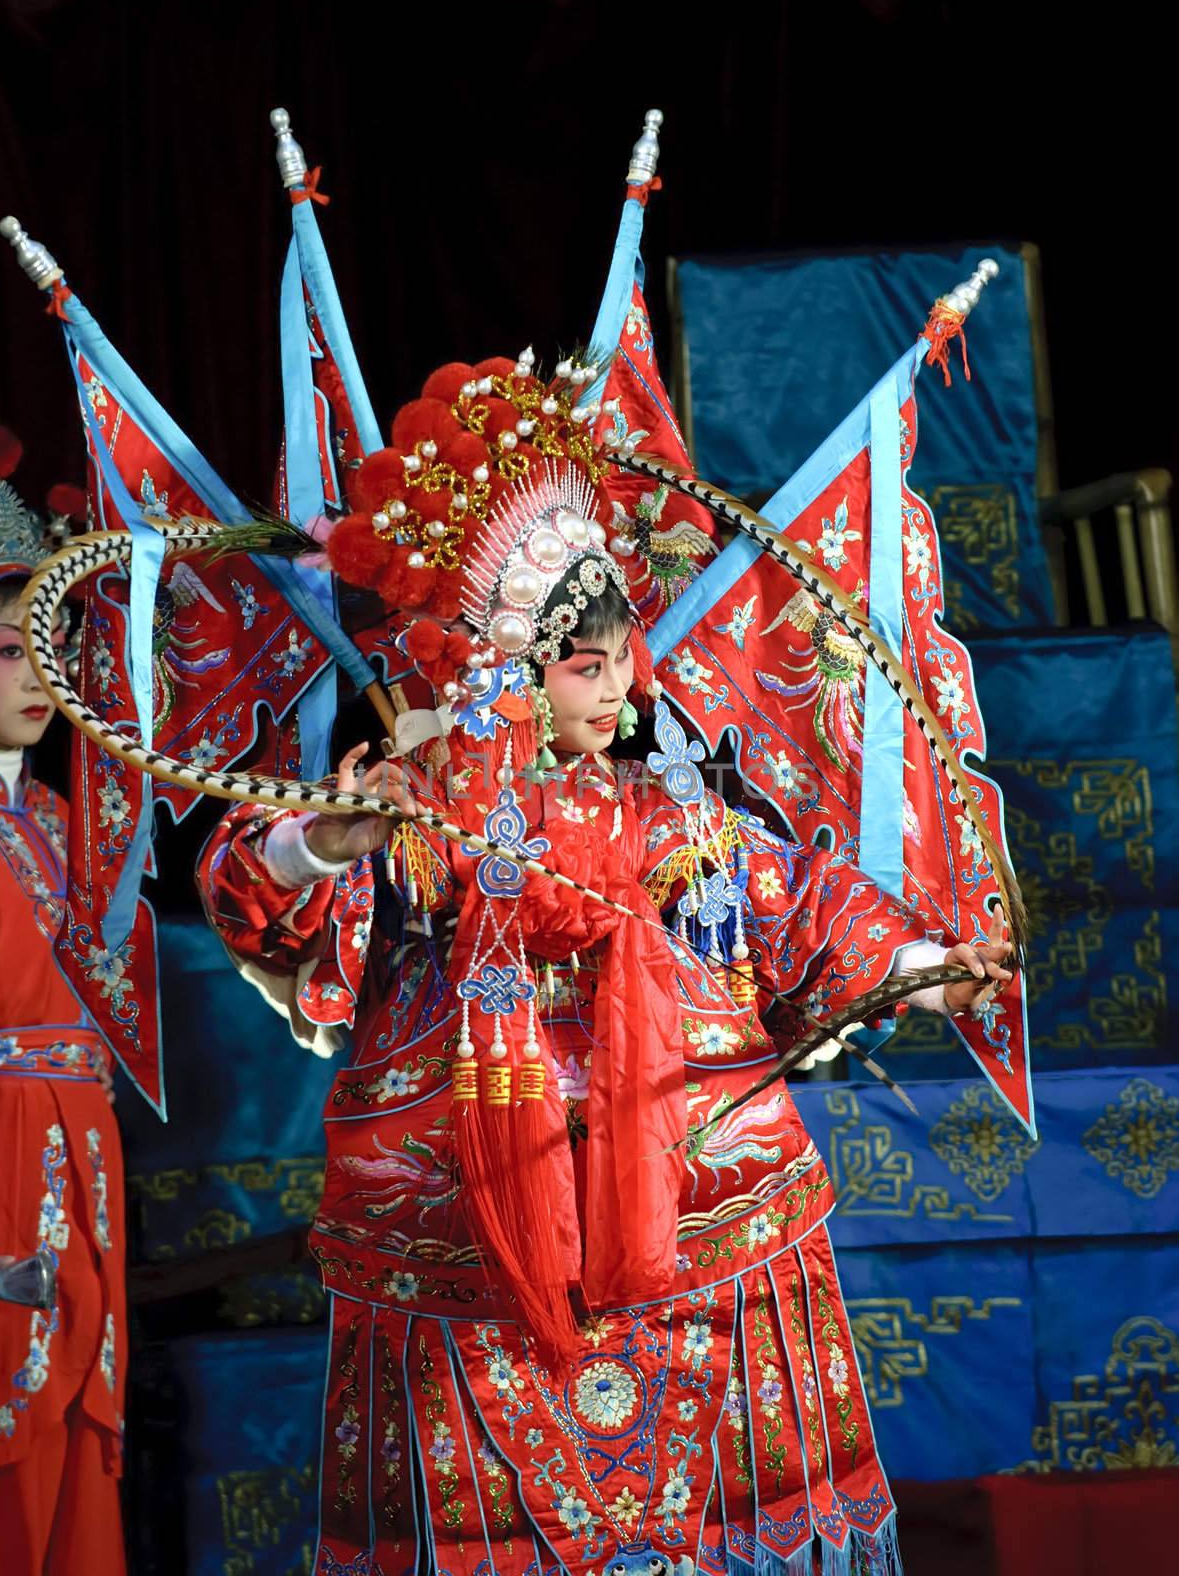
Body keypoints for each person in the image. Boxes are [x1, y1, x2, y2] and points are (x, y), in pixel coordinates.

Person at [198, 356, 1010, 1575]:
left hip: (696, 1222)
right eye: (589, 664)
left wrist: (933, 964)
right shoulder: (413, 814)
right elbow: (252, 896)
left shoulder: (666, 806)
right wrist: (321, 841)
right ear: (508, 672)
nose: (629, 682)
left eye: (624, 652)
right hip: (468, 1232)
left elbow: (793, 901)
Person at [0, 430, 126, 1574]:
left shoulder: (49, 819)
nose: (38, 672)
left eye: (51, 644)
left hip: (74, 1165)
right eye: (4, 648)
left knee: (77, 1460)